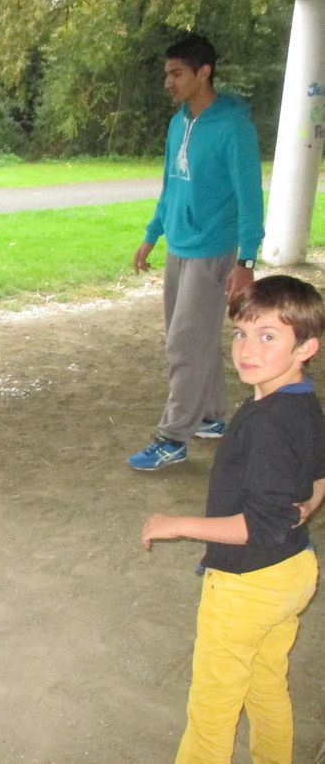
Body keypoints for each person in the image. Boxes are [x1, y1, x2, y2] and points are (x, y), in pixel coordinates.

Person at [142, 275, 325, 764]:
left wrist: (178, 523)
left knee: (212, 709)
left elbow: (259, 526)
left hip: (247, 584)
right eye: (241, 333)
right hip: (292, 570)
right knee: (266, 685)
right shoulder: (299, 401)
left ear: (306, 346)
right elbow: (318, 476)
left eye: (268, 336)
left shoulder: (268, 422)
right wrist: (305, 505)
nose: (247, 349)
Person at [128, 34, 265, 470]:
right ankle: (208, 417)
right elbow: (171, 187)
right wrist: (153, 234)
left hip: (213, 252)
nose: (167, 82)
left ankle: (173, 437)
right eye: (166, 73)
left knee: (184, 344)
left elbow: (249, 199)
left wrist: (246, 263)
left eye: (176, 73)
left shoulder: (234, 127)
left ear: (203, 73)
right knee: (192, 337)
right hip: (180, 248)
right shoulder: (177, 124)